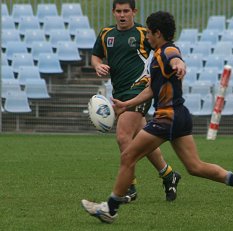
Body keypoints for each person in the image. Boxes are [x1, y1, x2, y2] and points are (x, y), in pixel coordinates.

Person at [82, 10, 233, 224]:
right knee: (195, 166)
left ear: (158, 33)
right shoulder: (160, 52)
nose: (147, 36)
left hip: (166, 118)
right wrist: (127, 104)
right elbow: (151, 88)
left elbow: (175, 59)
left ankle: (110, 209)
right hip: (180, 115)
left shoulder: (166, 51)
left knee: (127, 156)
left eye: (149, 32)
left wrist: (180, 64)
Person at [90, 0, 181, 201]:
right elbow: (95, 56)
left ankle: (129, 187)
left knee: (123, 136)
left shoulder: (143, 33)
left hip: (140, 90)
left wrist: (174, 62)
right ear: (113, 12)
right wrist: (97, 65)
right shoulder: (106, 34)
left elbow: (165, 48)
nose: (122, 15)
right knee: (143, 140)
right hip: (119, 94)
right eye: (118, 11)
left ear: (134, 12)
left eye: (126, 11)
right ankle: (169, 175)